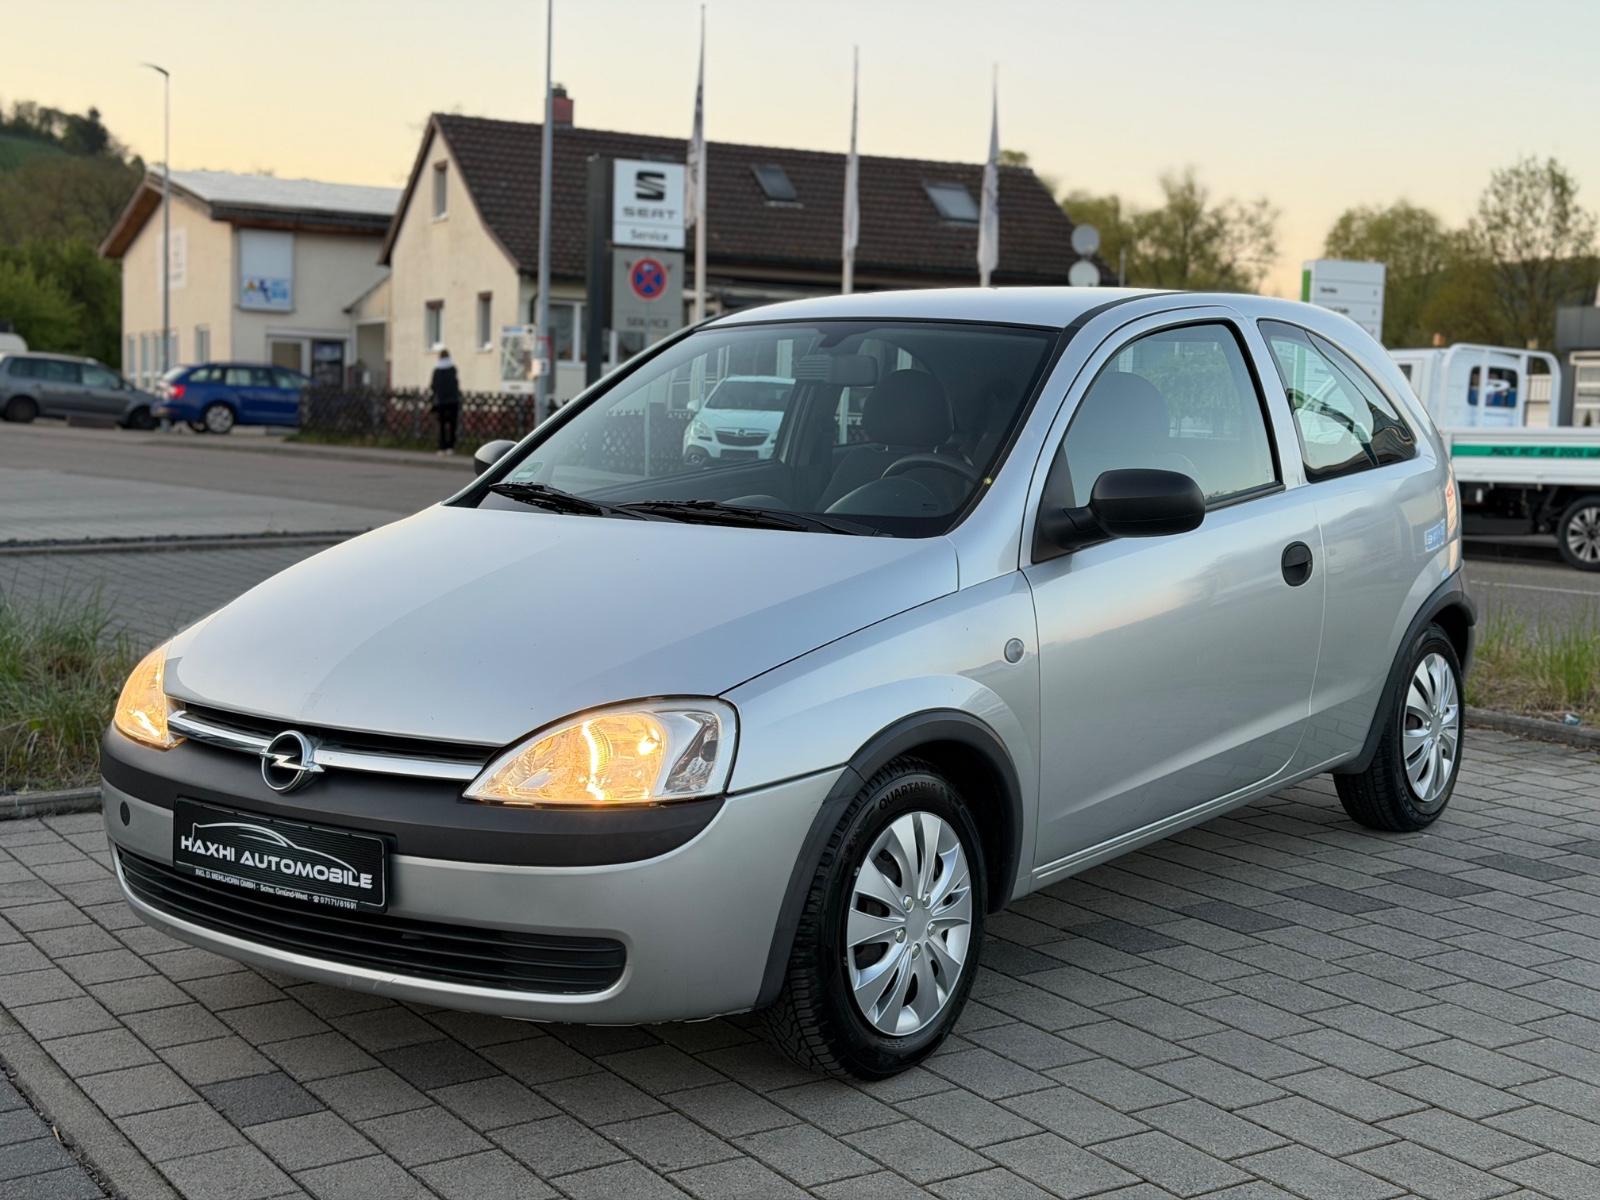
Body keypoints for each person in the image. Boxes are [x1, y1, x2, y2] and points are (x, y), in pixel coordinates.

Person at [430, 349, 461, 455]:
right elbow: (456, 383)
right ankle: (451, 447)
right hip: (453, 401)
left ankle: (442, 447)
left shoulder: (437, 370)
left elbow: (433, 386)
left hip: (441, 402)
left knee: (442, 425)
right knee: (452, 425)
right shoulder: (453, 369)